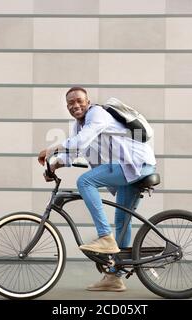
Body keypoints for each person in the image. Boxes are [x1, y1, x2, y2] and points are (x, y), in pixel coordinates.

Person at [38, 87, 156, 292]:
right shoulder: (78, 125)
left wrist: (52, 148)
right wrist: (54, 165)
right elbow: (75, 150)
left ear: (88, 101)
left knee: (85, 182)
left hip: (136, 164)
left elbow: (82, 141)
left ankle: (105, 238)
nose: (75, 105)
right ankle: (114, 277)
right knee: (122, 220)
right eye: (70, 103)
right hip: (129, 168)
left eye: (79, 101)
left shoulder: (97, 114)